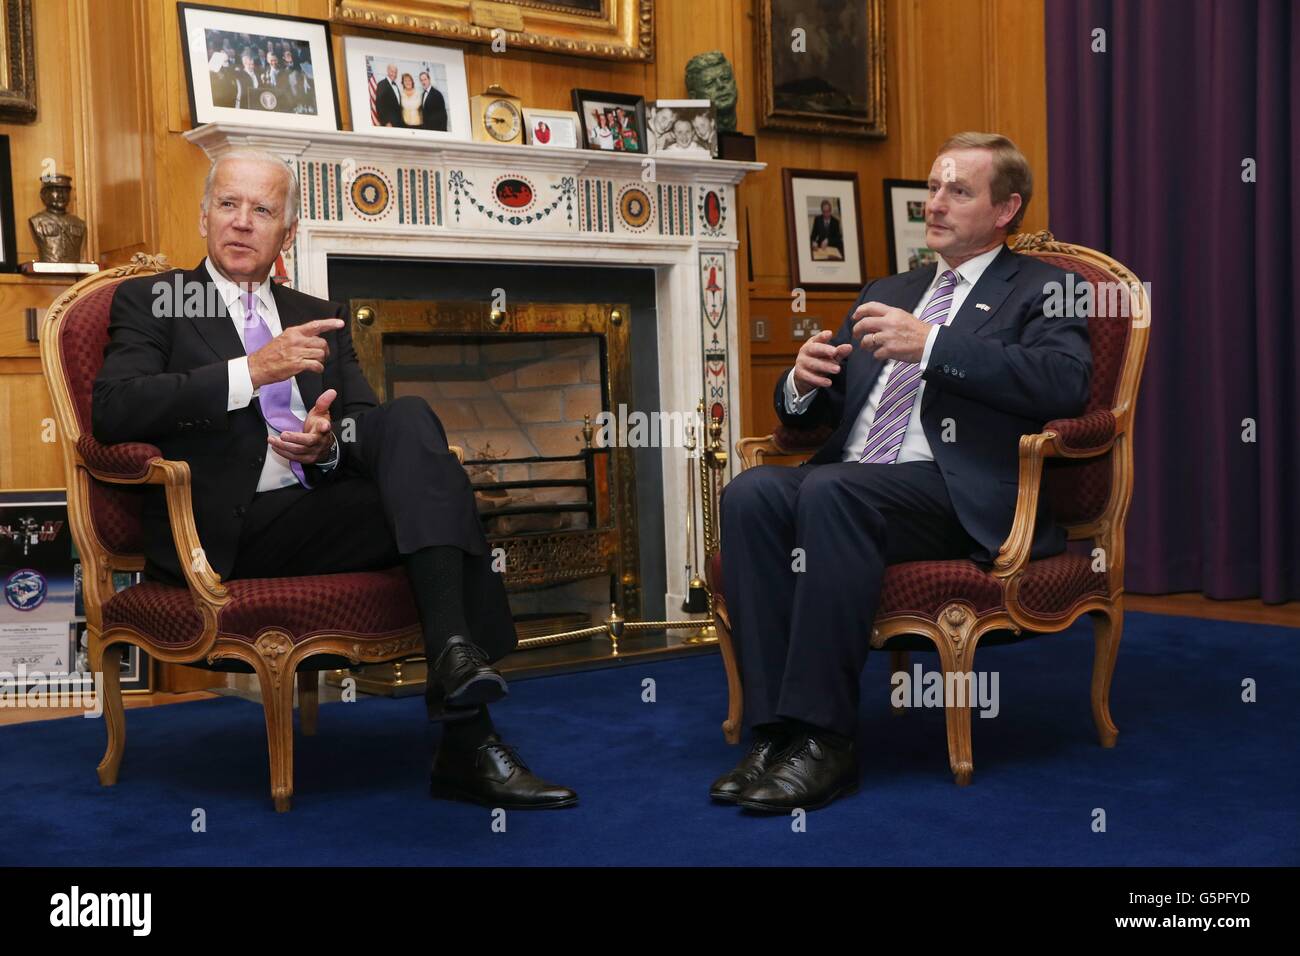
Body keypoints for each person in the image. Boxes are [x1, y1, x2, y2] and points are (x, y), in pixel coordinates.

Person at [91, 150, 578, 810]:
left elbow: (359, 428)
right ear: (204, 215)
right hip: (221, 529)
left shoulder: (316, 311)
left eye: (261, 210)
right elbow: (116, 408)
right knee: (444, 497)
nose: (241, 222)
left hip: (315, 509)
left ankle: (458, 668)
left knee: (407, 424)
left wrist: (324, 448)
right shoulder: (154, 300)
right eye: (228, 205)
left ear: (286, 234)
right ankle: (468, 726)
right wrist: (251, 373)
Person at [712, 132, 1091, 813]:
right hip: (859, 478)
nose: (935, 204)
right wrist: (801, 383)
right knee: (751, 494)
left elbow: (1064, 384)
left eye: (958, 191)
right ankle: (775, 735)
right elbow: (823, 406)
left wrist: (937, 345)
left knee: (833, 492)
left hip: (955, 492)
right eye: (933, 187)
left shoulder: (1048, 288)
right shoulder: (892, 288)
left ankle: (826, 742)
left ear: (1006, 209)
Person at [374, 63, 403, 128]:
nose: (394, 74)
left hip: (398, 123)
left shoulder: (396, 85)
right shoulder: (382, 84)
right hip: (389, 124)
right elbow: (379, 104)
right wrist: (386, 122)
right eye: (392, 71)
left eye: (395, 72)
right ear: (387, 71)